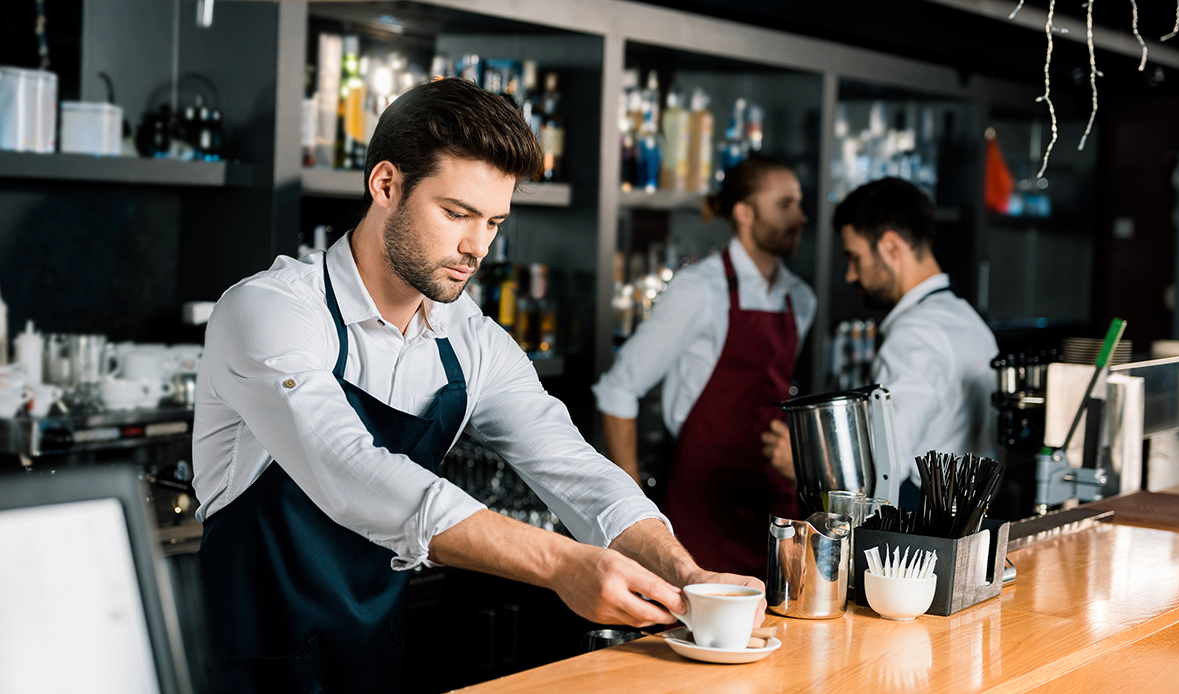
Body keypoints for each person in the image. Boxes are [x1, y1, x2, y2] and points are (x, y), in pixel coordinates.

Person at [191, 78, 761, 694]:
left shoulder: (471, 340)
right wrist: (560, 563)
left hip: (373, 661)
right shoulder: (269, 310)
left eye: (493, 221)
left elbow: (571, 465)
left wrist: (685, 570)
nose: (476, 247)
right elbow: (348, 470)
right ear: (386, 185)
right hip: (243, 668)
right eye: (456, 213)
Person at [592, 157, 817, 578]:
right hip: (701, 505)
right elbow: (617, 390)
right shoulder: (699, 290)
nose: (801, 216)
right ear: (744, 213)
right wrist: (635, 511)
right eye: (784, 205)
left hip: (773, 506)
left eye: (799, 204)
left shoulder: (801, 300)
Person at [763, 177, 998, 507]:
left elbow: (879, 480)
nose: (851, 275)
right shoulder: (968, 321)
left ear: (891, 247)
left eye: (854, 257)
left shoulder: (915, 335)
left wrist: (801, 467)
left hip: (918, 538)